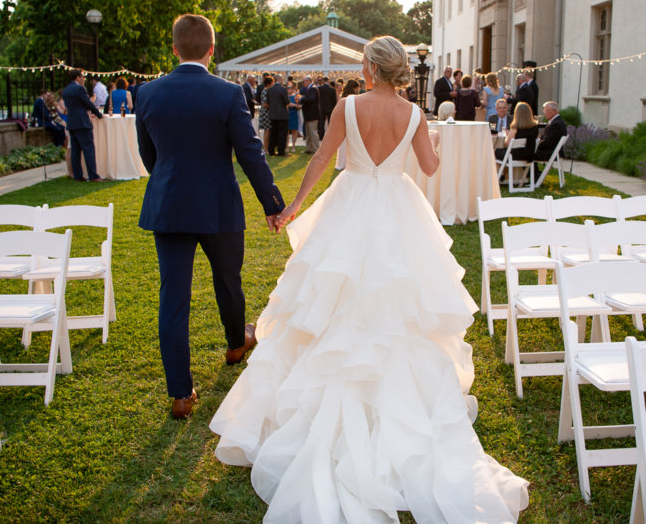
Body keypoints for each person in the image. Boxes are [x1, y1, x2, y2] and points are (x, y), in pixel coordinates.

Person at [209, 35, 529, 521]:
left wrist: (295, 206)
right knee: (398, 306)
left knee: (330, 301)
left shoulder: (349, 105)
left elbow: (321, 159)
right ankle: (394, 407)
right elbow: (428, 167)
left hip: (350, 203)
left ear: (371, 69)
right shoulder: (415, 115)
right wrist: (434, 141)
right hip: (399, 211)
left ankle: (319, 407)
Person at [135, 14, 286, 420]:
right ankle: (236, 345)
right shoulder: (228, 93)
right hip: (219, 205)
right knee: (228, 281)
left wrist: (170, 181)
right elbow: (250, 153)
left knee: (173, 298)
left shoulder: (146, 93)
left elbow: (150, 155)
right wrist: (272, 204)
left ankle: (181, 395)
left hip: (169, 206)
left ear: (174, 49)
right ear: (212, 50)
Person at [63, 68, 105, 182]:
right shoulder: (79, 89)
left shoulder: (66, 90)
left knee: (76, 151)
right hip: (82, 122)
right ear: (78, 77)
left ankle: (78, 175)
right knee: (88, 149)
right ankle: (93, 175)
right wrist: (99, 114)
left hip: (71, 122)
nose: (84, 79)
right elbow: (87, 103)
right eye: (83, 77)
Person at [265, 75, 290, 156]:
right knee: (282, 133)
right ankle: (281, 151)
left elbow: (268, 102)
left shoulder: (270, 90)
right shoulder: (283, 89)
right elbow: (286, 101)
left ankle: (271, 150)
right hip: (282, 115)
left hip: (273, 114)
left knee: (273, 133)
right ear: (280, 79)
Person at [298, 75, 320, 154]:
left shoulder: (313, 89)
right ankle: (309, 148)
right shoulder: (309, 89)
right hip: (308, 115)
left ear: (308, 81)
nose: (303, 83)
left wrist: (301, 98)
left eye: (304, 81)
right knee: (308, 133)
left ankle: (316, 149)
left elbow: (311, 99)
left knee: (313, 133)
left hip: (312, 115)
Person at [316, 74, 337, 141]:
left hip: (322, 108)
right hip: (331, 108)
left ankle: (321, 136)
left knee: (321, 123)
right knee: (330, 123)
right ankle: (331, 136)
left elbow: (317, 99)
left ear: (323, 81)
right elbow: (334, 100)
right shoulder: (332, 89)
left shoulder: (319, 89)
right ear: (328, 81)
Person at [286, 84, 300, 153]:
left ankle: (293, 146)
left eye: (291, 88)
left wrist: (294, 105)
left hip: (294, 114)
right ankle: (287, 146)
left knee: (294, 130)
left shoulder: (296, 96)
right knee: (287, 131)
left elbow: (299, 106)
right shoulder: (285, 96)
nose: (289, 89)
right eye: (288, 88)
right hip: (287, 115)